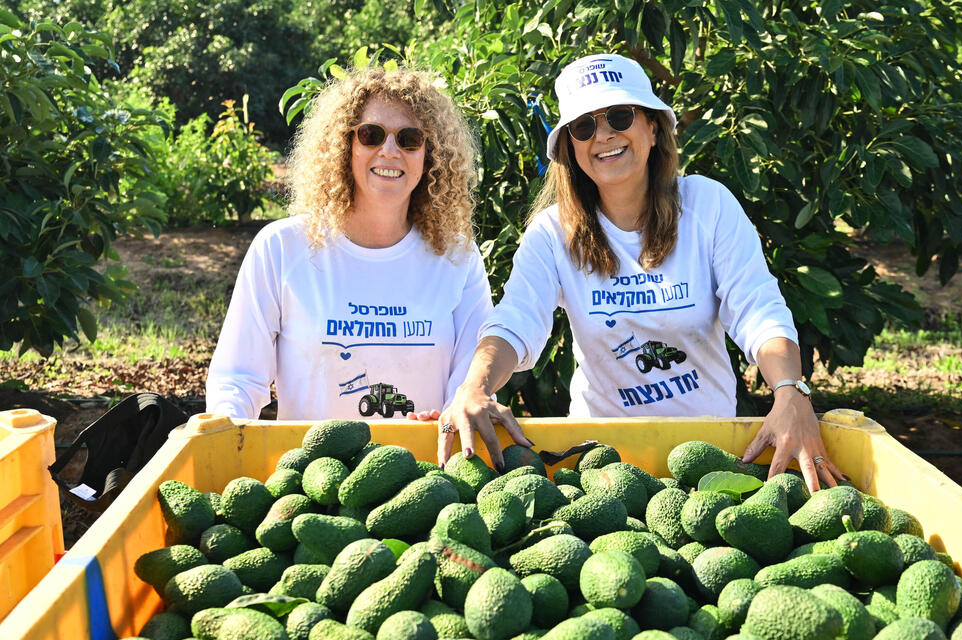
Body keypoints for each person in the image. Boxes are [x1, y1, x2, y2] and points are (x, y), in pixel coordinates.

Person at [438, 53, 845, 491]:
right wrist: (475, 386)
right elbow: (516, 320)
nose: (604, 135)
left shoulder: (708, 206)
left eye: (619, 115)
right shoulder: (553, 233)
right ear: (571, 149)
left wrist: (790, 389)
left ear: (653, 127)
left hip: (707, 456)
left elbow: (757, 309)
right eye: (584, 126)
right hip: (601, 469)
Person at [206, 67, 492, 421]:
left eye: (409, 139)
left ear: (429, 155)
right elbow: (236, 380)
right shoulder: (281, 248)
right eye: (371, 135)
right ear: (345, 145)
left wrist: (454, 415)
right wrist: (224, 439)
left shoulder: (456, 255)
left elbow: (471, 378)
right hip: (310, 473)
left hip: (425, 472)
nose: (389, 150)